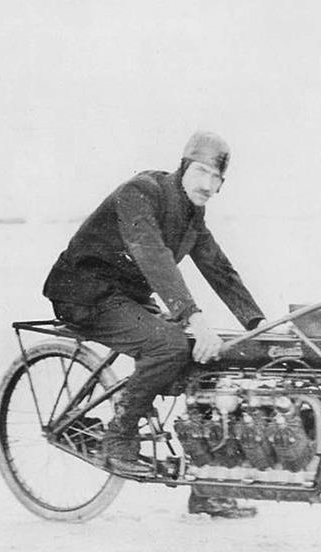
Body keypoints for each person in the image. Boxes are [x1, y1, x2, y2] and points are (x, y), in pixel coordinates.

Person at [42, 131, 264, 518]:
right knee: (170, 346)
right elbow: (153, 255)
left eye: (218, 179)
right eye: (202, 173)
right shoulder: (140, 193)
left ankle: (207, 487)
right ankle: (118, 438)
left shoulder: (192, 212)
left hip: (125, 298)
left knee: (207, 359)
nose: (209, 186)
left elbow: (218, 267)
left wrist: (256, 323)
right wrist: (193, 317)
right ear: (183, 167)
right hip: (83, 292)